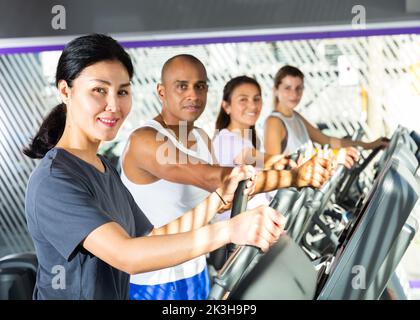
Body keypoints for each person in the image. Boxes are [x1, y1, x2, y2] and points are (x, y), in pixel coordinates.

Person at [23, 34, 283, 300]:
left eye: (122, 91)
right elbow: (127, 256)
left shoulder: (103, 167)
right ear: (66, 91)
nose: (113, 105)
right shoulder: (54, 181)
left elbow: (152, 236)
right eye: (99, 90)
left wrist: (217, 200)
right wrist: (228, 231)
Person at [121, 55, 331, 299]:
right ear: (161, 91)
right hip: (153, 280)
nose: (193, 95)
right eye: (182, 86)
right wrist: (294, 177)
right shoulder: (144, 140)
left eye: (200, 86)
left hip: (196, 270)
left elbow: (225, 196)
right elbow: (217, 179)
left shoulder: (201, 138)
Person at [264, 65, 389, 160]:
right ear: (275, 90)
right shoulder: (274, 122)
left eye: (299, 88)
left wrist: (369, 145)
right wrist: (333, 156)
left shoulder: (295, 117)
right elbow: (274, 166)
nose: (294, 94)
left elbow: (328, 141)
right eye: (287, 88)